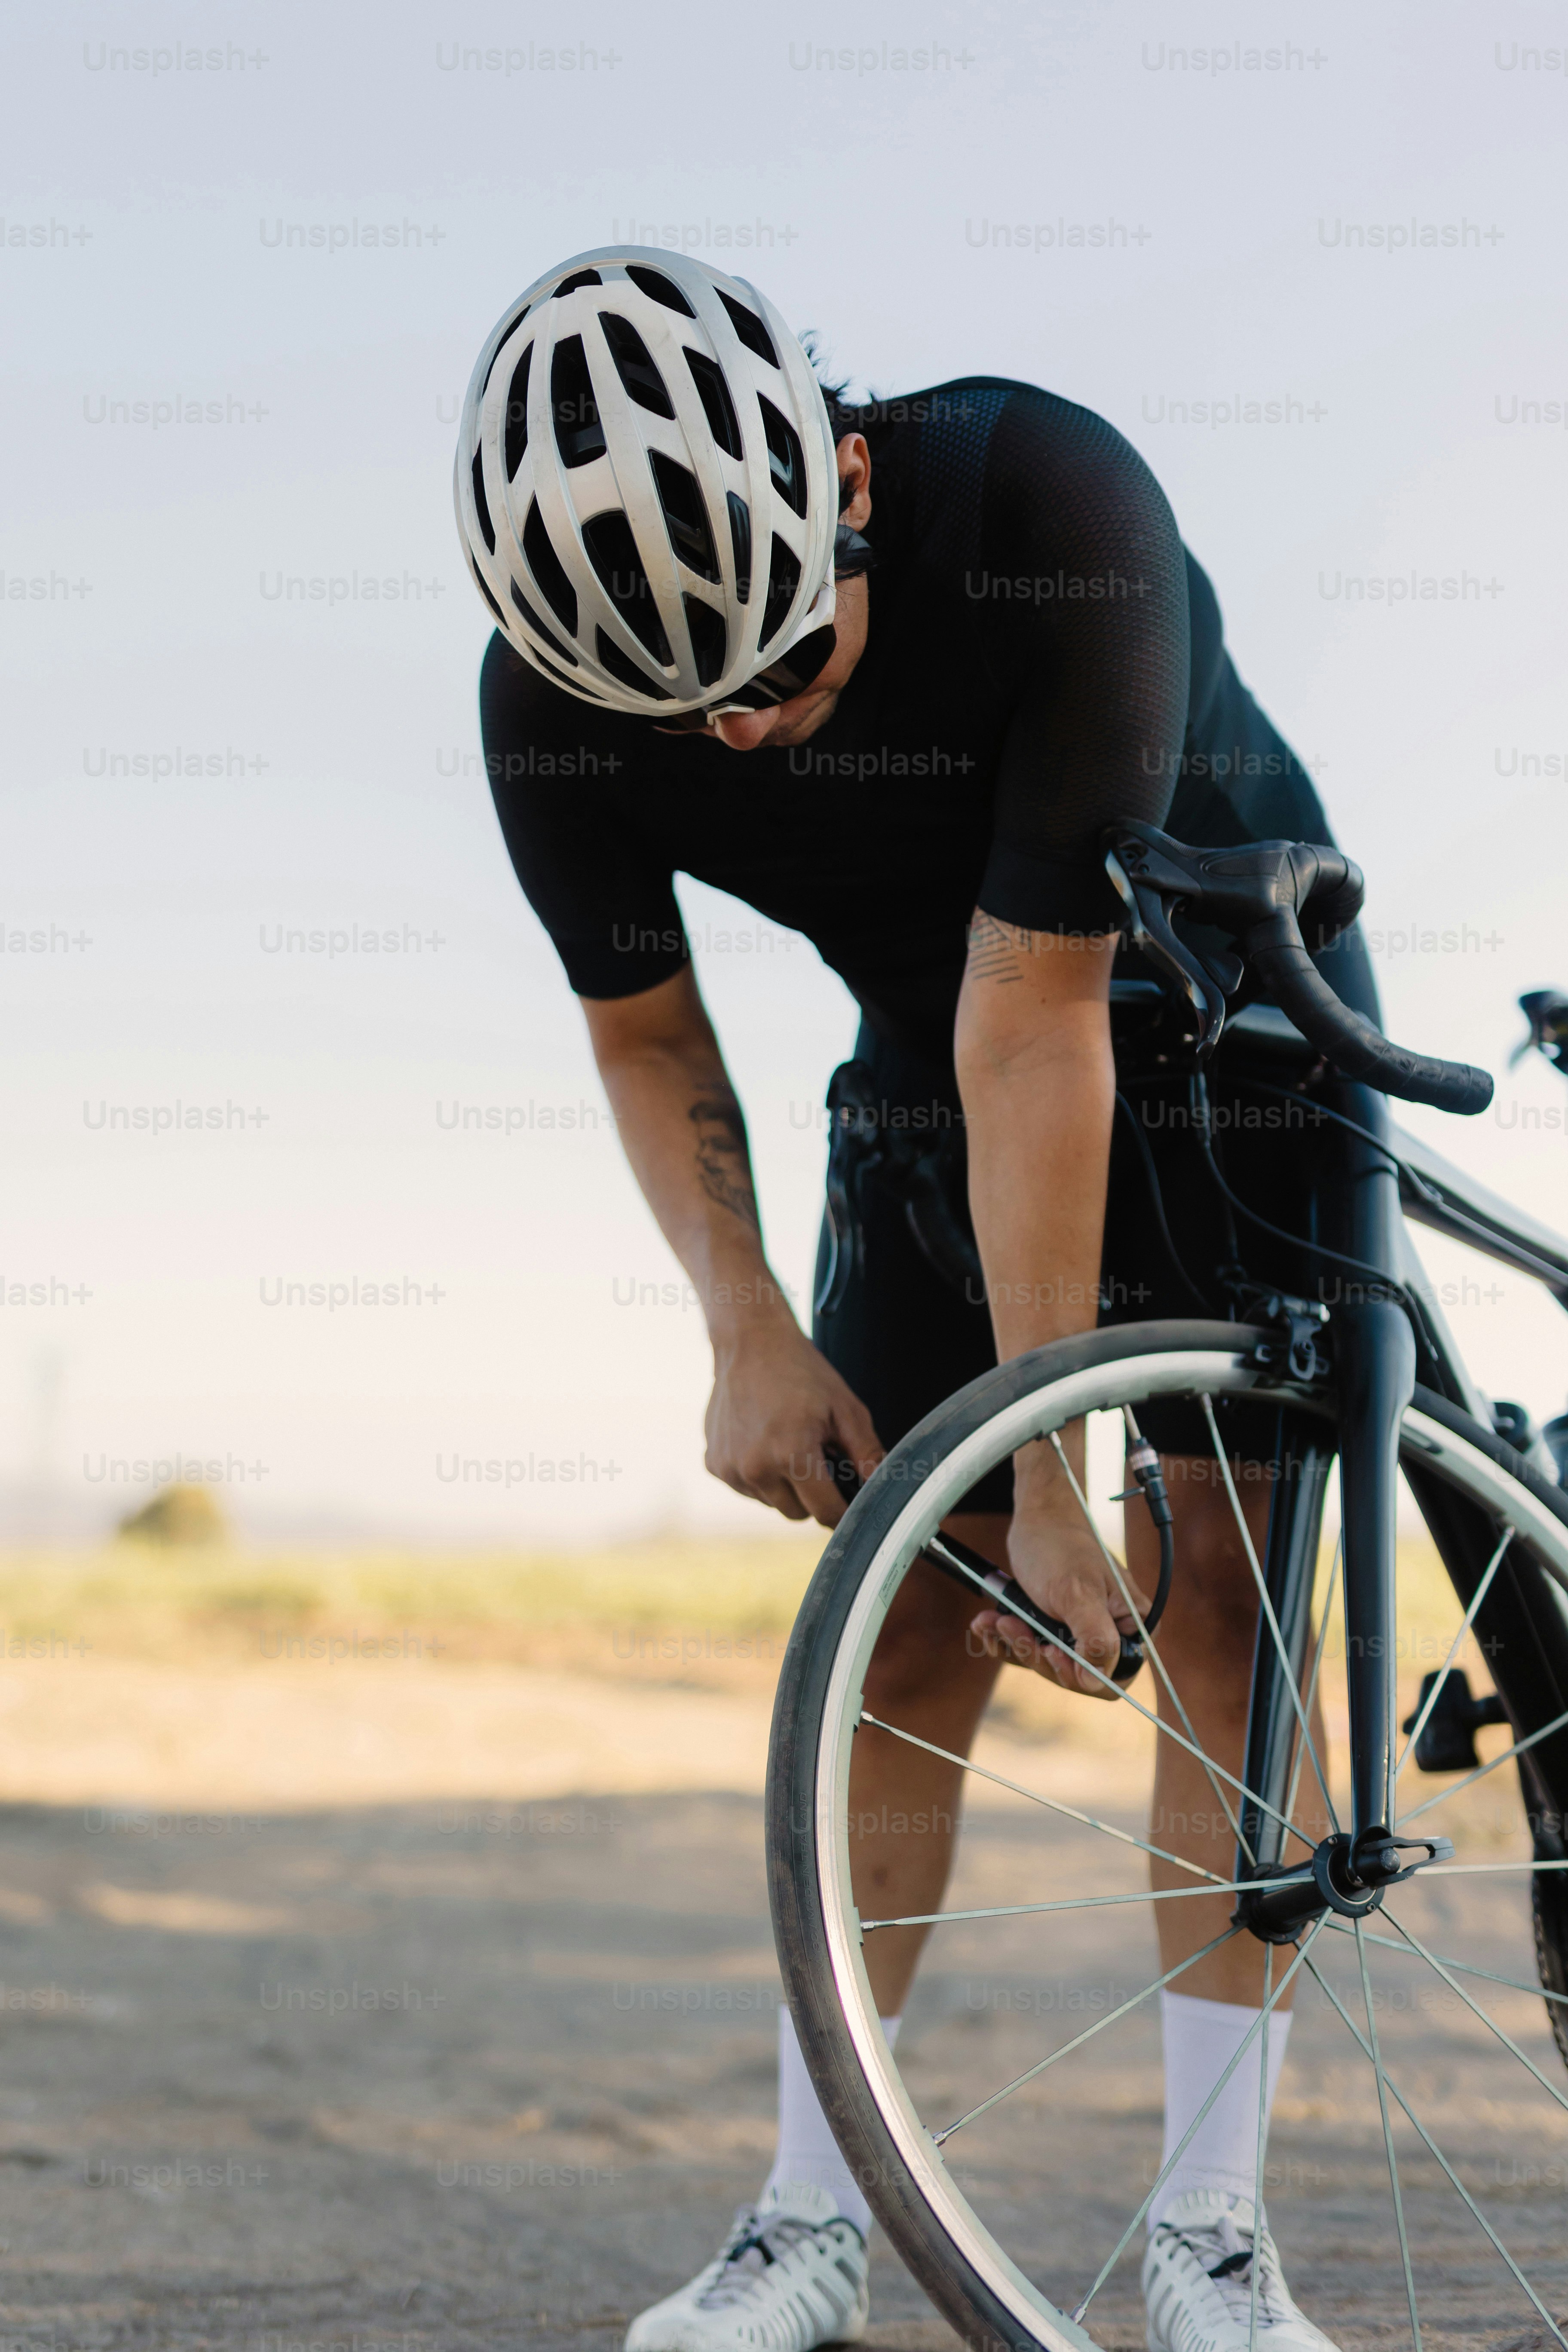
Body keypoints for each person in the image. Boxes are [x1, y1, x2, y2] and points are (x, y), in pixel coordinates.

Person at [456, 246, 1373, 2352]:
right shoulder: (544, 707)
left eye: (782, 664)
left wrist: (1057, 1456)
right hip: (932, 1045)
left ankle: (1212, 2246)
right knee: (910, 1630)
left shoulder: (1050, 512)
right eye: (691, 717)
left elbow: (1040, 1019)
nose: (752, 730)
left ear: (847, 482)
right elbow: (645, 1036)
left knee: (1223, 1606)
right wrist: (744, 1327)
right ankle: (812, 2217)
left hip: (1235, 1009)